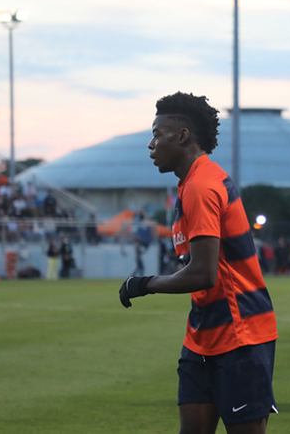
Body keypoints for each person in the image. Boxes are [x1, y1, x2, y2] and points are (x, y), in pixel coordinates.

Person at [119, 92, 278, 434]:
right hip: (202, 335)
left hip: (241, 335)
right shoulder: (190, 184)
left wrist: (145, 284)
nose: (150, 145)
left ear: (182, 136)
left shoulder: (202, 187)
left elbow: (204, 273)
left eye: (157, 134)